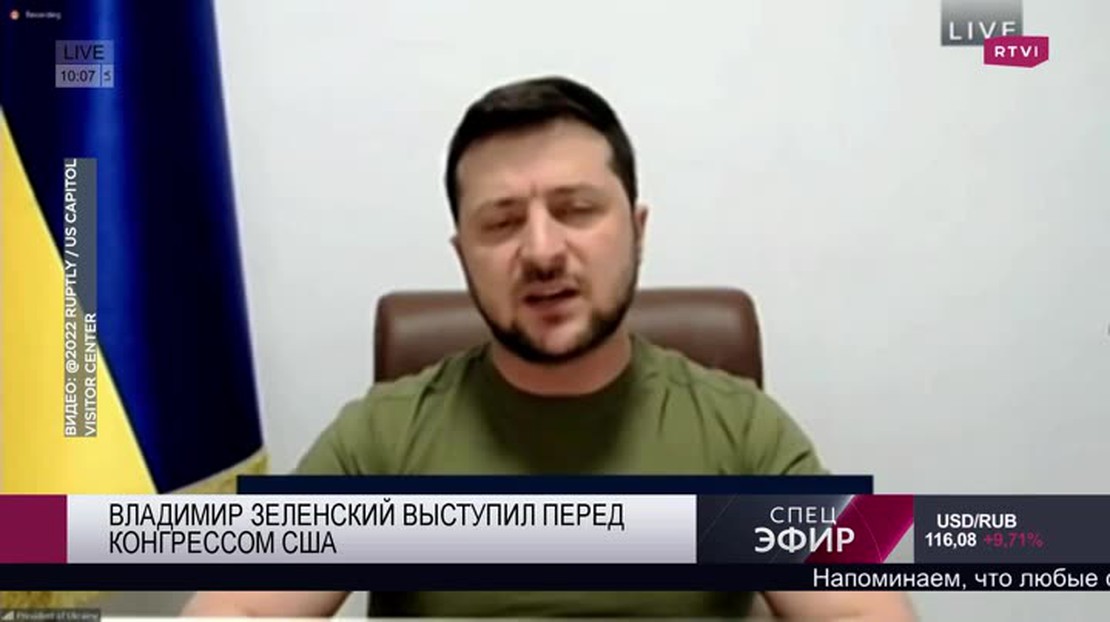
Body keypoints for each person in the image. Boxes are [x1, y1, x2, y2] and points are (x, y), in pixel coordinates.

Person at [185, 76, 914, 619]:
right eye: (502, 223)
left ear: (637, 230)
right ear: (463, 255)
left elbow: (862, 608)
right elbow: (240, 605)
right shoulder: (383, 433)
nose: (541, 252)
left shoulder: (743, 427)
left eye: (576, 210)